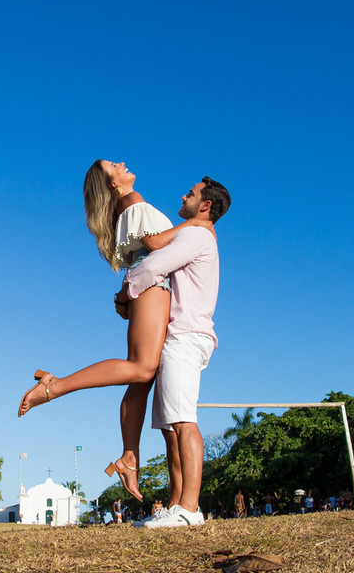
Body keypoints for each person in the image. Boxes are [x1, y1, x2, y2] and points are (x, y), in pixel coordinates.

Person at [19, 162, 211, 502]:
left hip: (147, 281)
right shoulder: (132, 198)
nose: (122, 164)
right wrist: (195, 223)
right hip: (152, 281)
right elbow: (154, 245)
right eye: (114, 166)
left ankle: (129, 457)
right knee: (141, 367)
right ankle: (55, 386)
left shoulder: (127, 204)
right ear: (112, 183)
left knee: (141, 378)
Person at [122, 177, 231, 528]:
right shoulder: (193, 231)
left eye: (191, 193)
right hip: (177, 337)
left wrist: (126, 293)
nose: (183, 196)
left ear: (205, 206)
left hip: (186, 337)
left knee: (184, 423)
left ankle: (190, 509)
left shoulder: (198, 235)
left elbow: (154, 265)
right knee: (170, 429)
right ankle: (174, 505)